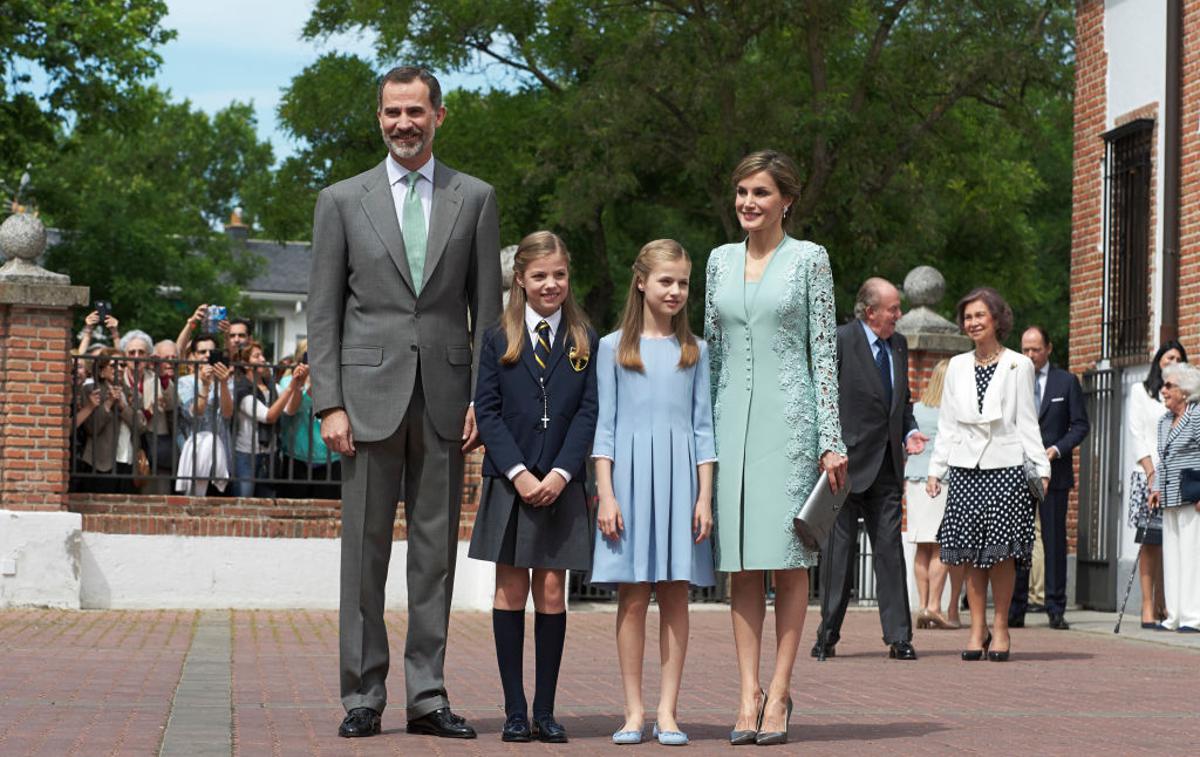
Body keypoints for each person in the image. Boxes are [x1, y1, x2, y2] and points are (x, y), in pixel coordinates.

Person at [307, 65, 502, 740]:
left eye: (415, 112)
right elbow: (322, 309)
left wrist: (484, 395)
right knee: (363, 553)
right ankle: (362, 694)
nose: (403, 124)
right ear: (379, 118)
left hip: (448, 400)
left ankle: (428, 694)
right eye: (392, 113)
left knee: (434, 554)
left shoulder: (474, 197)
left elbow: (488, 310)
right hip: (363, 402)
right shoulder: (341, 200)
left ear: (439, 116)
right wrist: (328, 401)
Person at [704, 150, 847, 746]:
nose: (748, 203)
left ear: (786, 200)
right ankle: (746, 692)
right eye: (741, 192)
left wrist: (831, 439)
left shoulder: (810, 260)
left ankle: (781, 690)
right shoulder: (717, 261)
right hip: (731, 420)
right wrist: (702, 437)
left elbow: (823, 355)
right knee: (740, 563)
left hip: (792, 426)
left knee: (788, 562)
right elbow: (712, 351)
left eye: (760, 193)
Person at [468, 231, 597, 744]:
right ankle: (515, 711)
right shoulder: (499, 337)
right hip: (511, 481)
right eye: (540, 275)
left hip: (560, 484)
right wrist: (519, 472)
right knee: (511, 589)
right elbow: (489, 412)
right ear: (520, 278)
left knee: (549, 591)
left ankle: (545, 710)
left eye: (559, 275)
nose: (551, 284)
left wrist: (562, 473)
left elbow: (589, 412)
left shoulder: (584, 338)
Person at [592, 239, 716, 747]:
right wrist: (606, 494)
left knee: (676, 596)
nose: (676, 291)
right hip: (628, 484)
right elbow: (605, 427)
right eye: (666, 280)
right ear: (641, 281)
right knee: (632, 597)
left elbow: (704, 429)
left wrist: (704, 497)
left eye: (683, 282)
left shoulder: (697, 350)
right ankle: (633, 711)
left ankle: (668, 710)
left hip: (681, 481)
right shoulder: (611, 347)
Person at [926, 288, 1049, 662]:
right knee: (967, 554)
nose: (973, 323)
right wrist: (936, 470)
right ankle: (975, 628)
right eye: (967, 317)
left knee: (1001, 555)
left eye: (980, 315)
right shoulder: (956, 366)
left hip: (1006, 467)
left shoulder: (1018, 364)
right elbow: (946, 424)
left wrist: (1041, 468)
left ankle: (1000, 628)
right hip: (965, 470)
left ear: (996, 319)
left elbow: (1027, 421)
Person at [813, 278, 928, 662]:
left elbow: (903, 400)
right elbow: (823, 397)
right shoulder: (842, 340)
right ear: (870, 311)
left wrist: (909, 430)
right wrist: (827, 449)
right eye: (894, 309)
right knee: (839, 556)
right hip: (843, 467)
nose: (899, 315)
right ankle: (827, 634)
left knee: (889, 552)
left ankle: (899, 637)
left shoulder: (898, 344)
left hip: (887, 469)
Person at [1008, 326, 1090, 631]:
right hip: (1017, 471)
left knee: (1054, 541)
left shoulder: (1066, 382)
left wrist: (1056, 449)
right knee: (1019, 540)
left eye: (1036, 350)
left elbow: (1080, 425)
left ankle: (1056, 608)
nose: (1030, 355)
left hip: (1054, 473)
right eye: (1025, 349)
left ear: (1049, 349)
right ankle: (1015, 608)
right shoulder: (1013, 378)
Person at [1127, 341, 1187, 627]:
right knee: (1150, 543)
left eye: (1178, 358)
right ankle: (1148, 607)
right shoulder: (1141, 391)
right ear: (1158, 360)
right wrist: (1153, 476)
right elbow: (1137, 434)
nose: (1173, 361)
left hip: (1176, 479)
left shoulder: (1187, 396)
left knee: (1173, 541)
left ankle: (1168, 604)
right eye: (1168, 357)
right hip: (1147, 476)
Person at [905, 359, 965, 630]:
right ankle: (934, 607)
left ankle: (921, 605)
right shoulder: (952, 413)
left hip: (915, 481)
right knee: (941, 546)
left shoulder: (916, 410)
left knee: (921, 545)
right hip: (942, 481)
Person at [1148, 362, 1200, 633]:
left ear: (1185, 391)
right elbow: (1162, 460)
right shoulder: (1163, 421)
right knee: (1173, 556)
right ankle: (1174, 616)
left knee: (1192, 555)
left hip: (1192, 495)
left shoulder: (1197, 415)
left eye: (1169, 385)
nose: (1163, 389)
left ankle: (1193, 617)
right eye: (1164, 384)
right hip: (1169, 495)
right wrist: (1155, 488)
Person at [231, 341, 306, 497]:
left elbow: (290, 409)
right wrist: (291, 387)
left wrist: (298, 385)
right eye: (256, 356)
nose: (263, 359)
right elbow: (269, 416)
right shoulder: (241, 389)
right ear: (245, 364)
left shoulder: (271, 386)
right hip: (246, 455)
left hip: (270, 454)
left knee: (267, 502)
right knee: (244, 504)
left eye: (262, 355)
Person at [277, 340, 341, 500]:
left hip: (330, 458)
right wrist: (303, 383)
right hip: (297, 458)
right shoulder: (288, 382)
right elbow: (292, 409)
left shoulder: (332, 382)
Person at [175, 334, 234, 496]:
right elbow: (194, 413)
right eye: (202, 352)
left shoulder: (227, 381)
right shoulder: (184, 382)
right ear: (193, 356)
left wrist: (222, 383)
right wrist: (205, 385)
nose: (208, 356)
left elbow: (228, 413)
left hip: (221, 460)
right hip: (194, 459)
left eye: (212, 352)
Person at [75, 349, 136, 493]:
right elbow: (91, 428)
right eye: (113, 366)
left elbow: (141, 425)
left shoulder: (130, 392)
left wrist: (122, 407)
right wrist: (108, 403)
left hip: (127, 460)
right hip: (100, 463)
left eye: (122, 365)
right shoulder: (90, 390)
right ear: (102, 371)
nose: (119, 369)